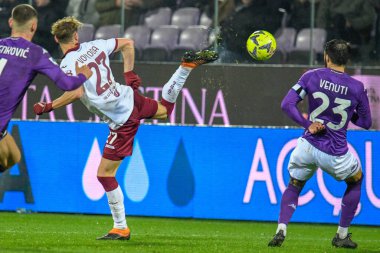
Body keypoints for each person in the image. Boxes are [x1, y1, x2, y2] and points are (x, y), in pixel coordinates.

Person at [33, 16, 218, 240]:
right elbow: (128, 43)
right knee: (164, 110)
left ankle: (120, 227)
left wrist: (49, 105)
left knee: (104, 174)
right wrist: (129, 74)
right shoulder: (96, 45)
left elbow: (76, 92)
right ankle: (185, 68)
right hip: (129, 96)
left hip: (122, 120)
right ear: (76, 36)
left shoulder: (67, 64)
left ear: (55, 38)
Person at [268, 39, 371, 249]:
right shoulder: (357, 87)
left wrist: (308, 124)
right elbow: (366, 123)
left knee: (295, 184)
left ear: (326, 56)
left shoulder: (311, 75)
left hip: (307, 145)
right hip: (335, 153)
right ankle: (341, 235)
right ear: (346, 59)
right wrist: (348, 114)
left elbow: (286, 104)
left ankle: (281, 229)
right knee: (356, 180)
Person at [0, 4, 92, 173]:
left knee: (13, 156)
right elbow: (67, 84)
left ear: (11, 22)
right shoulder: (36, 53)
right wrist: (83, 75)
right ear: (34, 26)